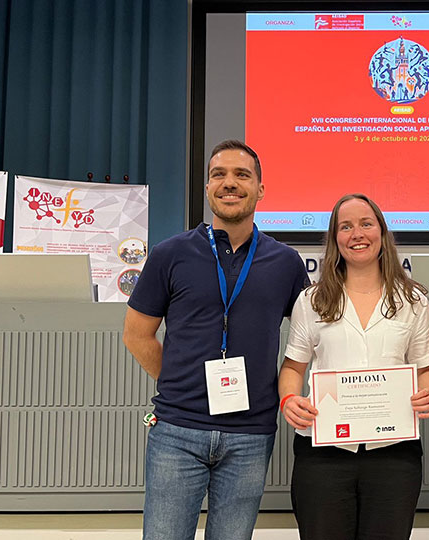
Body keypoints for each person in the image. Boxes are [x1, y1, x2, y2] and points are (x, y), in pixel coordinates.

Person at [123, 140, 309, 540]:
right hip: (177, 430)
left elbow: (313, 337)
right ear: (207, 188)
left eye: (242, 175)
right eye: (218, 175)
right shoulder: (170, 254)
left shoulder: (286, 263)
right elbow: (137, 335)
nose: (230, 183)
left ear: (261, 189)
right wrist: (178, 383)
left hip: (251, 435)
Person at [278, 193, 429, 540]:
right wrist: (289, 400)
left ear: (381, 232)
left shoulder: (413, 301)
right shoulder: (312, 299)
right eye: (346, 226)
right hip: (323, 454)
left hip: (394, 454)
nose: (357, 234)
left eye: (366, 224)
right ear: (335, 238)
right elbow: (292, 368)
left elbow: (426, 367)